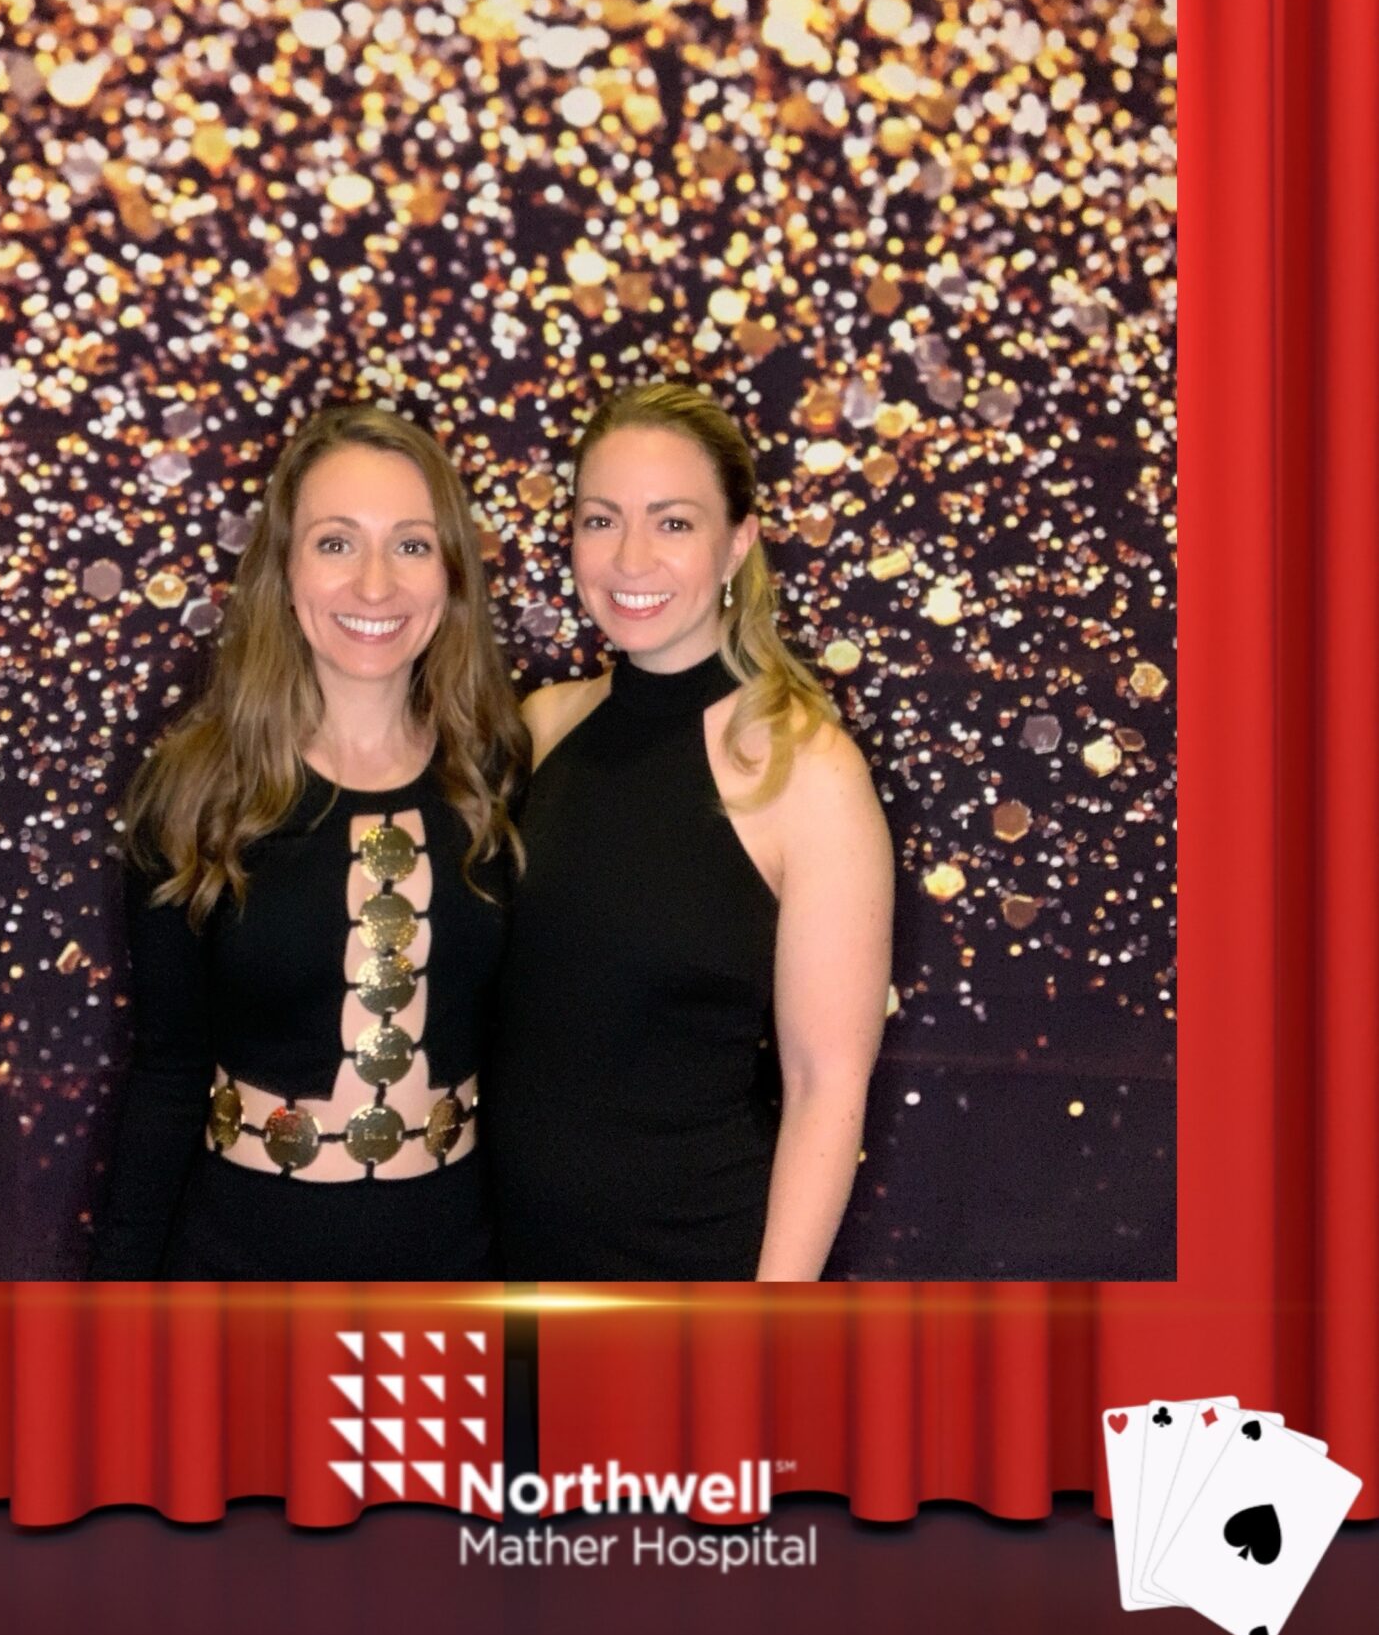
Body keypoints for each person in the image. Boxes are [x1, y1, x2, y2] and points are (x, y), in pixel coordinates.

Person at [86, 402, 527, 1280]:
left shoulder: (503, 777)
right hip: (238, 1270)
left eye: (410, 544)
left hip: (452, 1271)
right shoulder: (196, 791)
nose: (375, 586)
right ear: (282, 569)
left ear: (450, 573)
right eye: (335, 543)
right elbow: (167, 1073)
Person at [484, 380, 895, 1281]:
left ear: (737, 541)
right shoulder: (541, 726)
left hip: (691, 1276)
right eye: (601, 520)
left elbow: (826, 1088)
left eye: (672, 523)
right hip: (500, 1267)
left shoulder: (810, 773)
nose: (630, 558)